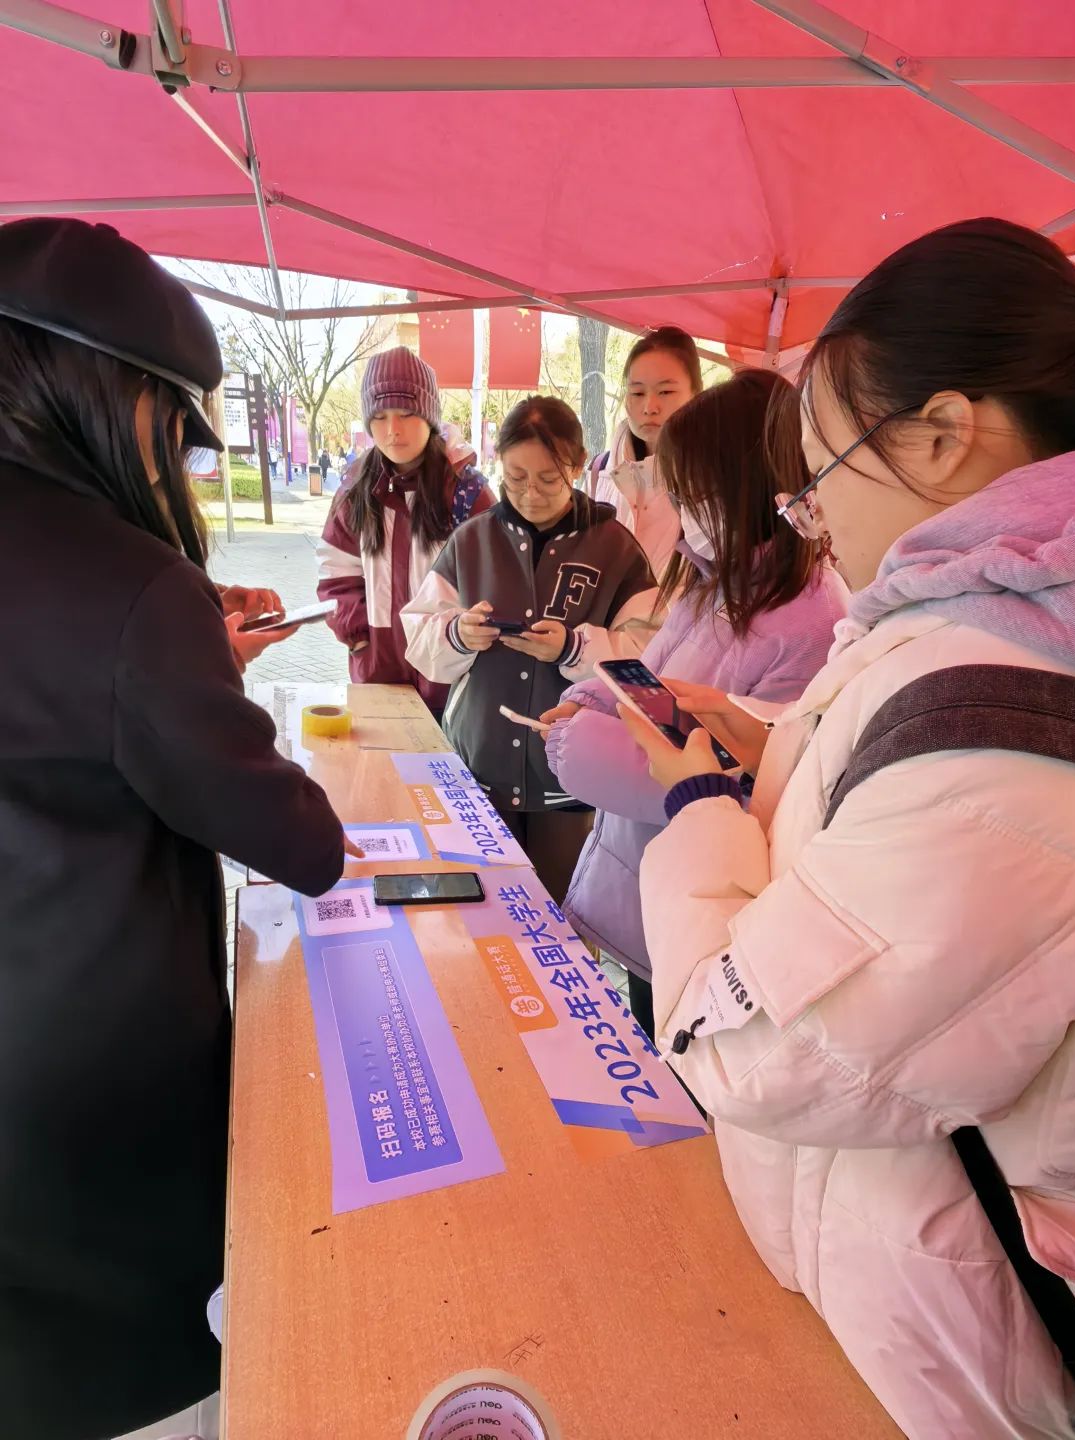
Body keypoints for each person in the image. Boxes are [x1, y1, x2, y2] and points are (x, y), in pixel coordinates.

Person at [622, 219, 1075, 1439]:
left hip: (968, 1349)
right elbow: (891, 798)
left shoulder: (1009, 701)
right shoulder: (987, 618)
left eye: (817, 476)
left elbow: (757, 1055)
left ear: (942, 433)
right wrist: (776, 740)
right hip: (904, 1282)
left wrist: (698, 811)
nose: (808, 517)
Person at [0, 217, 358, 1440]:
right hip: (92, 1103)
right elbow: (298, 842)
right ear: (124, 398)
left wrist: (181, 656)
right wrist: (198, 664)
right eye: (185, 433)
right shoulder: (132, 585)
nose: (187, 467)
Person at [544, 372, 848, 1039]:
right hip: (648, 881)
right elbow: (657, 678)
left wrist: (594, 752)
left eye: (693, 491)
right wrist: (594, 693)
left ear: (747, 482)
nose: (683, 510)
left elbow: (759, 789)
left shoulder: (809, 619)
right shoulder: (717, 580)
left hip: (706, 903)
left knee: (683, 1080)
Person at [401, 396, 656, 900]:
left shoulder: (615, 546)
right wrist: (458, 633)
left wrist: (575, 650)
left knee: (559, 918)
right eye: (515, 478)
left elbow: (647, 654)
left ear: (579, 466)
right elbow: (419, 633)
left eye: (548, 479)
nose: (530, 494)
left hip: (571, 775)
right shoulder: (472, 539)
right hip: (480, 763)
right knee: (479, 908)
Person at [316, 349, 493, 719]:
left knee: (442, 773)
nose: (392, 430)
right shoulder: (355, 491)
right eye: (379, 417)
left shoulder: (467, 492)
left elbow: (494, 580)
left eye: (406, 413)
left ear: (429, 416)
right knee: (380, 775)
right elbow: (336, 574)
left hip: (452, 683)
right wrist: (358, 634)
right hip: (377, 673)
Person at [582, 325, 703, 584]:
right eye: (637, 393)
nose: (649, 407)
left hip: (678, 624)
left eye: (666, 392)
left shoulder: (713, 481)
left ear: (696, 396)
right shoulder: (599, 472)